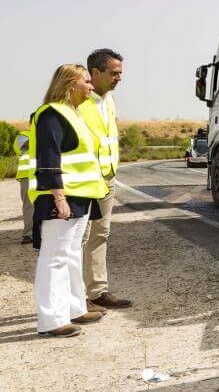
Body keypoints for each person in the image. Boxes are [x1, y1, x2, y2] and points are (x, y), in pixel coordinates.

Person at [30, 64, 109, 337]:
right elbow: (48, 157)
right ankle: (51, 320)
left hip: (82, 195)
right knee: (54, 257)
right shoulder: (52, 114)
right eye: (85, 81)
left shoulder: (74, 113)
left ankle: (74, 308)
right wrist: (58, 197)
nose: (90, 85)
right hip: (61, 196)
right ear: (69, 85)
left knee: (71, 253)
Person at [79, 48, 133, 310]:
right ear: (95, 72)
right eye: (114, 73)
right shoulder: (78, 100)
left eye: (121, 73)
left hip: (107, 179)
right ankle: (75, 297)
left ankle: (97, 291)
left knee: (101, 234)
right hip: (85, 181)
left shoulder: (109, 99)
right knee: (80, 238)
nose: (119, 78)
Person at [15, 125, 35, 244]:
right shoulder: (24, 135)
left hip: (43, 173)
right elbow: (27, 145)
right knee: (29, 205)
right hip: (27, 174)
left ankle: (42, 234)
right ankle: (28, 234)